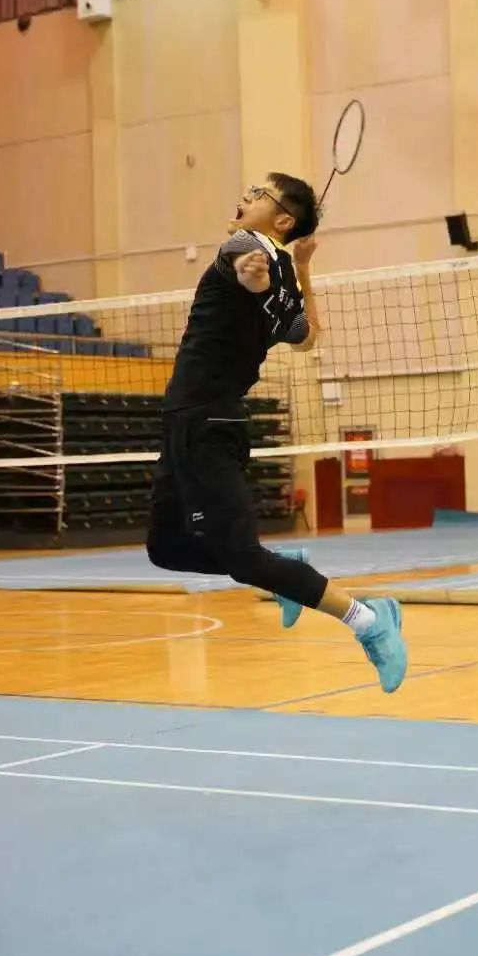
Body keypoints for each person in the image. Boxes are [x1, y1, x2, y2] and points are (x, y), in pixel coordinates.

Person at [146, 173, 407, 694]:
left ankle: (368, 619)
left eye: (258, 194)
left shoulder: (248, 248)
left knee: (243, 559)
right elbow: (307, 338)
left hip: (210, 421)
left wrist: (252, 277)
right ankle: (283, 572)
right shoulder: (286, 275)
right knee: (166, 550)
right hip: (184, 419)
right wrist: (303, 267)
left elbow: (243, 264)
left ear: (283, 219)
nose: (244, 197)